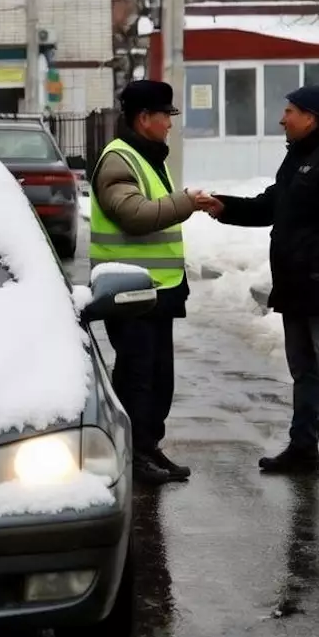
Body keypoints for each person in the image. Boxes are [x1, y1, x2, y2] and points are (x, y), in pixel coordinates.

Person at [196, 85, 319, 481]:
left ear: (311, 117)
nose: (282, 118)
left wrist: (314, 270)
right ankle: (303, 450)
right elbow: (271, 205)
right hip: (294, 288)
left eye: (289, 111)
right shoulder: (297, 158)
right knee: (303, 373)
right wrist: (225, 206)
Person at [89, 79, 211, 486]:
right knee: (137, 376)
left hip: (155, 289)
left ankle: (147, 445)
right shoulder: (119, 159)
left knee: (159, 377)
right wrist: (186, 202)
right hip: (130, 291)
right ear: (145, 118)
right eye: (166, 116)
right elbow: (135, 215)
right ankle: (131, 454)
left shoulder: (146, 155)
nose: (170, 125)